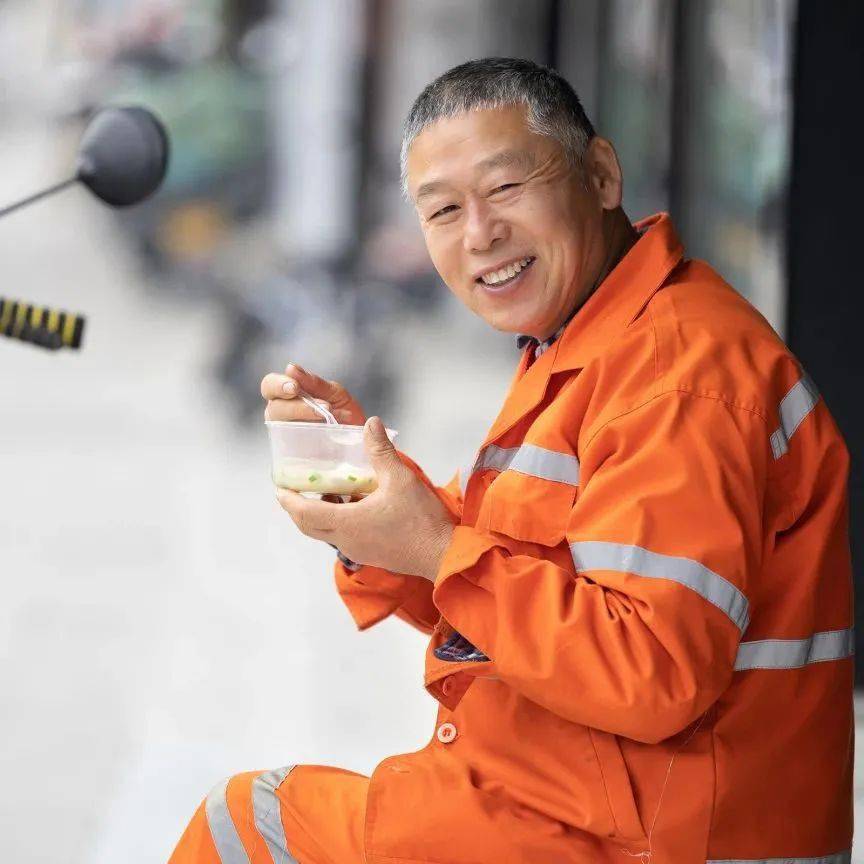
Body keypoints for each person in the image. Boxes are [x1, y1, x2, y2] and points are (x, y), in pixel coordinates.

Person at [169, 58, 854, 864]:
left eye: (505, 189)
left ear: (600, 175)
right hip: (573, 807)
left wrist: (429, 545)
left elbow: (653, 673)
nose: (479, 235)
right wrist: (369, 493)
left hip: (644, 839)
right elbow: (508, 575)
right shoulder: (590, 345)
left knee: (253, 828)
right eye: (443, 210)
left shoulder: (676, 378)